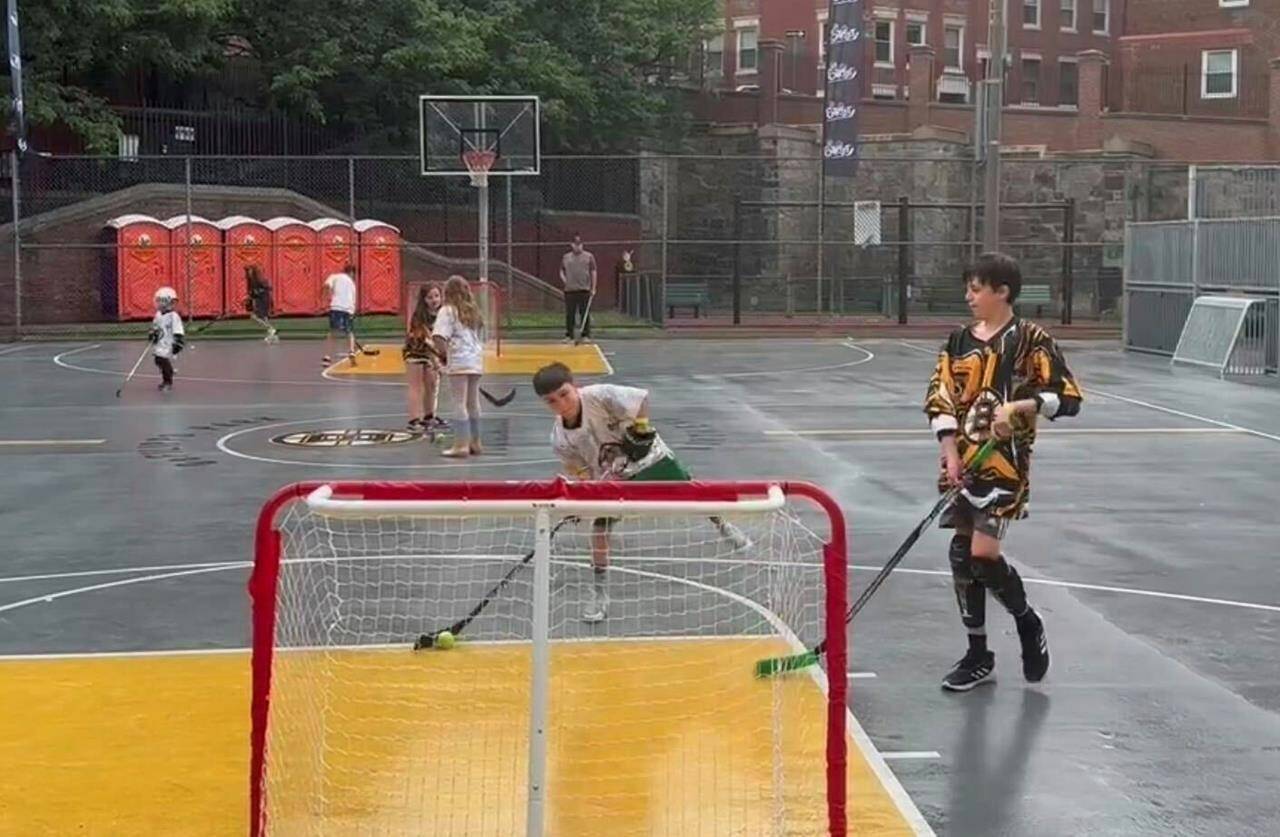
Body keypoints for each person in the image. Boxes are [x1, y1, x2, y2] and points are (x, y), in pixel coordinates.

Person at [924, 252, 1083, 692]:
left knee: (982, 554)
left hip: (1004, 464)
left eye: (976, 289)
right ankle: (978, 654)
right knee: (961, 556)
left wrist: (1022, 406)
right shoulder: (957, 342)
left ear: (1002, 292)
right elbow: (940, 398)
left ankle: (1027, 622)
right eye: (969, 288)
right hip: (965, 465)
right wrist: (949, 451)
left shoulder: (1032, 340)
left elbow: (1067, 397)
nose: (969, 296)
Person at [532, 361, 749, 622]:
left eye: (564, 394)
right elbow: (579, 471)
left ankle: (723, 524)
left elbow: (641, 398)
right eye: (551, 401)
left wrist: (641, 428)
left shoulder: (599, 396)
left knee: (692, 492)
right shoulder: (560, 439)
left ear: (575, 386)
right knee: (600, 530)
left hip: (649, 459)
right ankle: (599, 593)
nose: (561, 403)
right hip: (612, 478)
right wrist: (585, 495)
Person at [432, 275, 485, 458]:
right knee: (473, 402)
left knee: (459, 402)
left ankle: (461, 445)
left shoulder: (447, 311)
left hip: (459, 359)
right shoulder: (473, 312)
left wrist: (443, 355)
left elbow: (439, 336)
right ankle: (476, 442)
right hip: (475, 359)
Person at [403, 283, 448, 433]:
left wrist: (443, 357)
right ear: (424, 299)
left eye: (437, 296)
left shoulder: (443, 315)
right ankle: (414, 420)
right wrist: (436, 357)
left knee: (432, 384)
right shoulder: (419, 316)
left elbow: (443, 337)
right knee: (416, 386)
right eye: (430, 297)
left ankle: (429, 416)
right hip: (415, 352)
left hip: (432, 354)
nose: (434, 300)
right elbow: (426, 338)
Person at [559, 234, 596, 343]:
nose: (578, 247)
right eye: (576, 245)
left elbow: (593, 272)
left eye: (579, 245)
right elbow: (561, 270)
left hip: (584, 289)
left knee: (584, 313)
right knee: (570, 313)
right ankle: (569, 335)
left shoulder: (589, 256)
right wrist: (565, 280)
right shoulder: (566, 257)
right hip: (570, 290)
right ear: (572, 245)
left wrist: (593, 287)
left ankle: (586, 335)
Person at [149, 286, 185, 392]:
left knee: (162, 360)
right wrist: (152, 334)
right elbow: (155, 327)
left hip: (169, 343)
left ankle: (168, 381)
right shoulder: (158, 315)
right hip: (160, 342)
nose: (157, 303)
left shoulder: (173, 316)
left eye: (159, 301)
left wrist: (178, 342)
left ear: (165, 301)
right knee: (158, 359)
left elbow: (178, 331)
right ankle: (168, 371)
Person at [322, 262, 358, 365]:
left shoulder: (334, 276)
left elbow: (326, 285)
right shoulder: (352, 284)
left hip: (336, 307)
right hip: (348, 309)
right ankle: (351, 351)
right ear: (351, 273)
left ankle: (327, 356)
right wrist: (352, 312)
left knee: (332, 332)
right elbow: (353, 299)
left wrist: (327, 297)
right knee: (350, 332)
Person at [244, 265, 278, 343]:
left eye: (250, 271)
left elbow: (268, 288)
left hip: (263, 300)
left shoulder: (259, 280)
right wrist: (249, 297)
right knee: (264, 318)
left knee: (254, 317)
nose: (248, 273)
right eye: (247, 271)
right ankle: (272, 335)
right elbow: (252, 293)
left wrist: (258, 292)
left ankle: (271, 329)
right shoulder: (251, 281)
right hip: (259, 300)